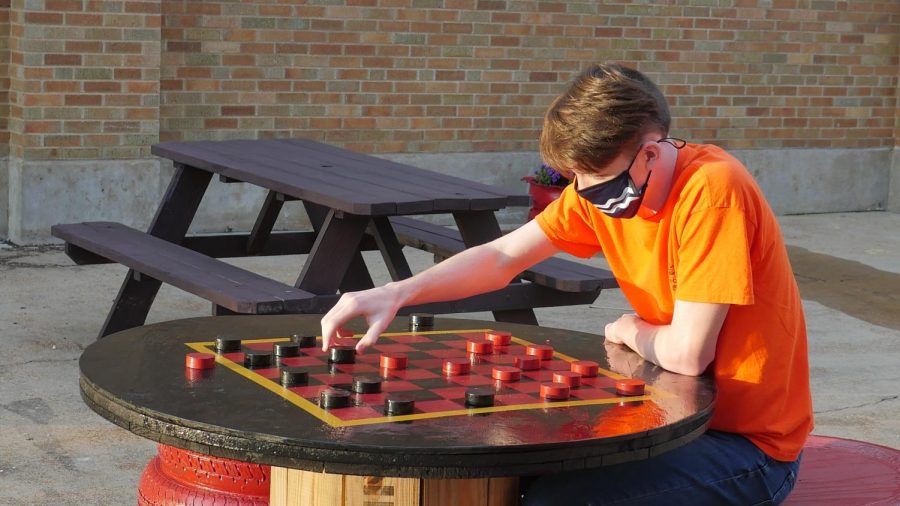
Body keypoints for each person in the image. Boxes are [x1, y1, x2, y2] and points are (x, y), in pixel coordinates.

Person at [320, 63, 813, 505]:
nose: (584, 190)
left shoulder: (712, 190)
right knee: (497, 462)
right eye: (575, 175)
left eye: (594, 175)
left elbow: (688, 353)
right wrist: (395, 292)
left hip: (746, 447)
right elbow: (500, 256)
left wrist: (627, 329)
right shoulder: (600, 192)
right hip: (669, 423)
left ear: (647, 154)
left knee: (549, 499)